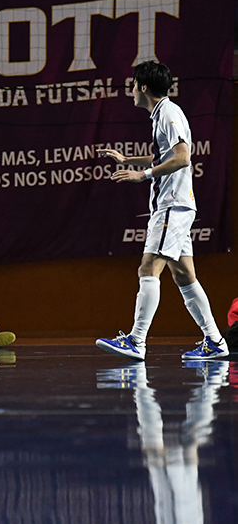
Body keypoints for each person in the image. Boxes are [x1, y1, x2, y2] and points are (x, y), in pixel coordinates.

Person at [96, 61, 227, 362]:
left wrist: (142, 175)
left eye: (133, 85)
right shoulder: (162, 115)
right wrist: (128, 160)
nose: (131, 90)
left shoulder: (168, 113)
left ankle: (136, 340)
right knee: (184, 275)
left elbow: (182, 158)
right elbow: (163, 156)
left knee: (148, 268)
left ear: (143, 87)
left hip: (171, 205)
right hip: (176, 205)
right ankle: (215, 341)